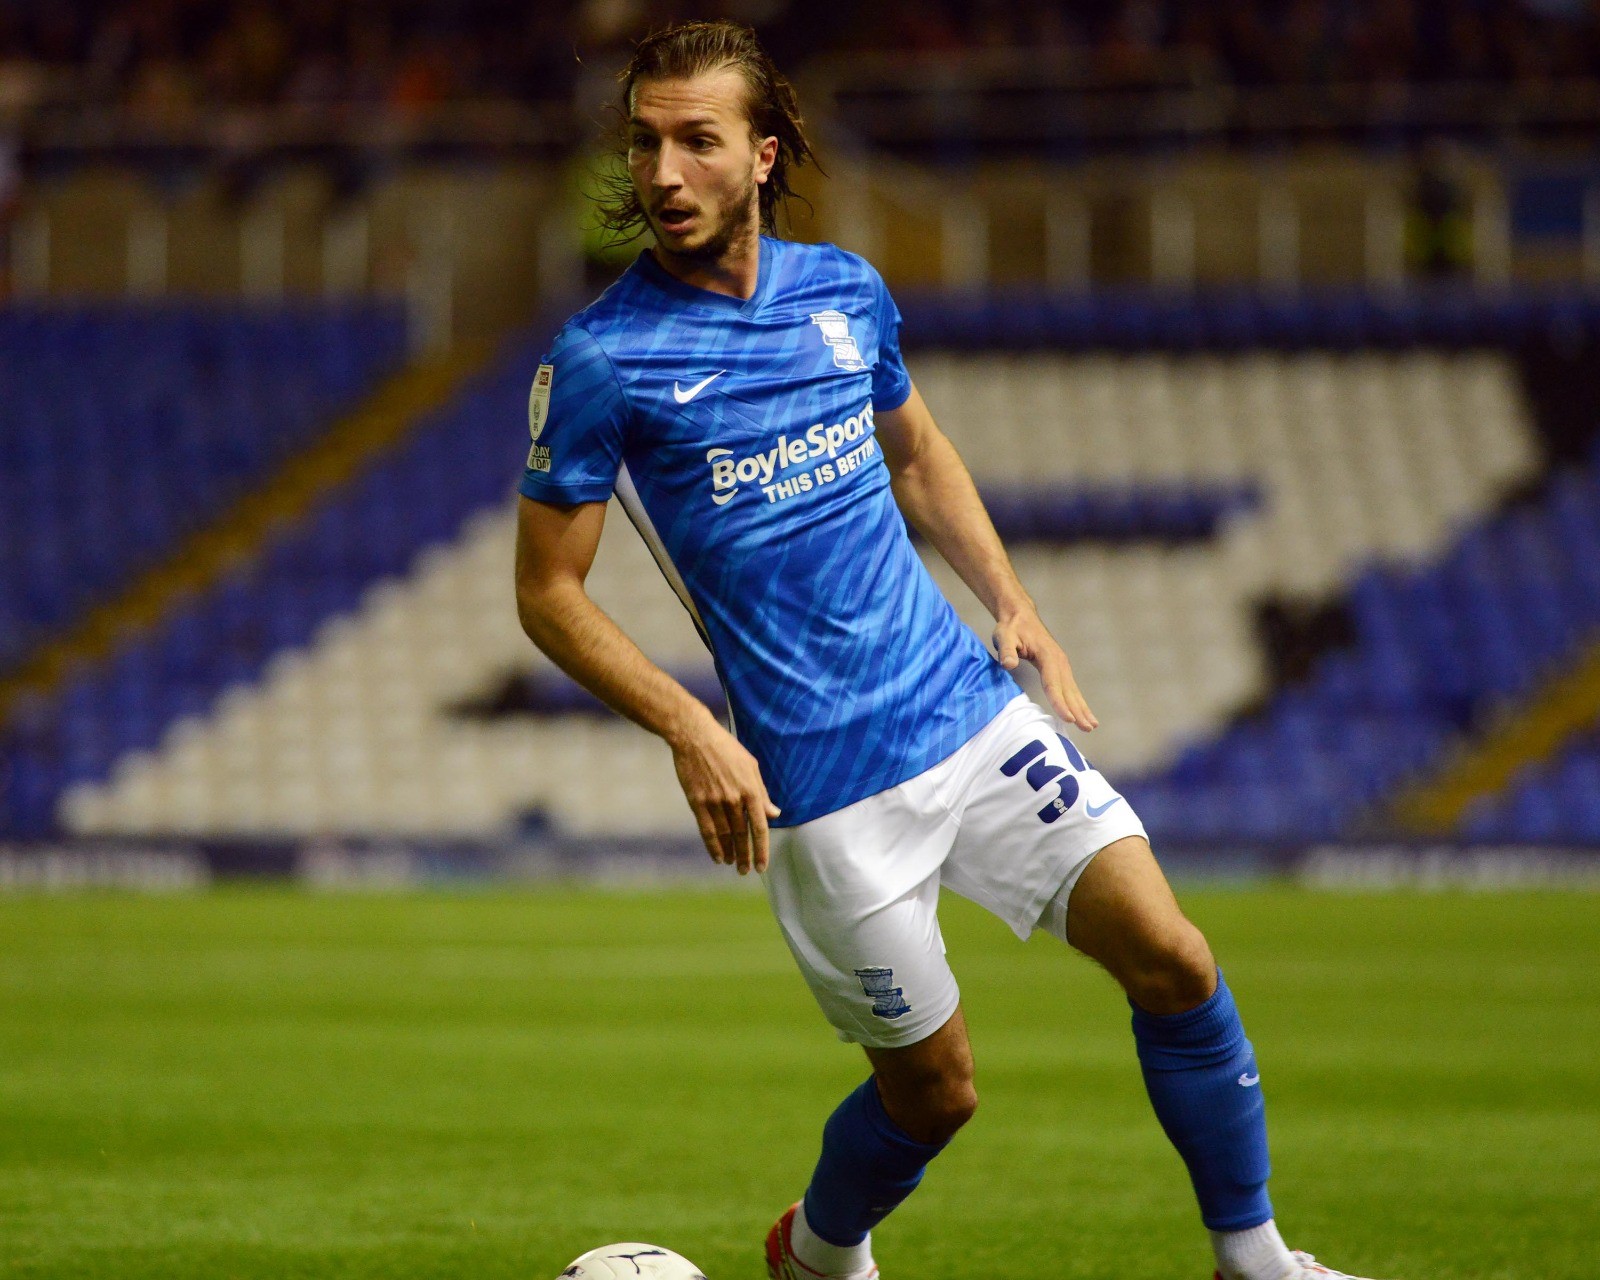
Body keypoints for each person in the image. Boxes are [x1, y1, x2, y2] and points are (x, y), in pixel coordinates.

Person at [513, 20, 1388, 1280]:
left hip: (967, 712)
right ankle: (818, 1256)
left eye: (696, 140)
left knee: (1174, 956)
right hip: (825, 790)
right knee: (935, 1094)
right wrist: (692, 725)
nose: (662, 172)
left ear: (762, 154)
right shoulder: (605, 356)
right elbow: (548, 593)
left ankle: (1254, 1261)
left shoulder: (844, 291)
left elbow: (917, 453)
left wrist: (1011, 599)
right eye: (645, 142)